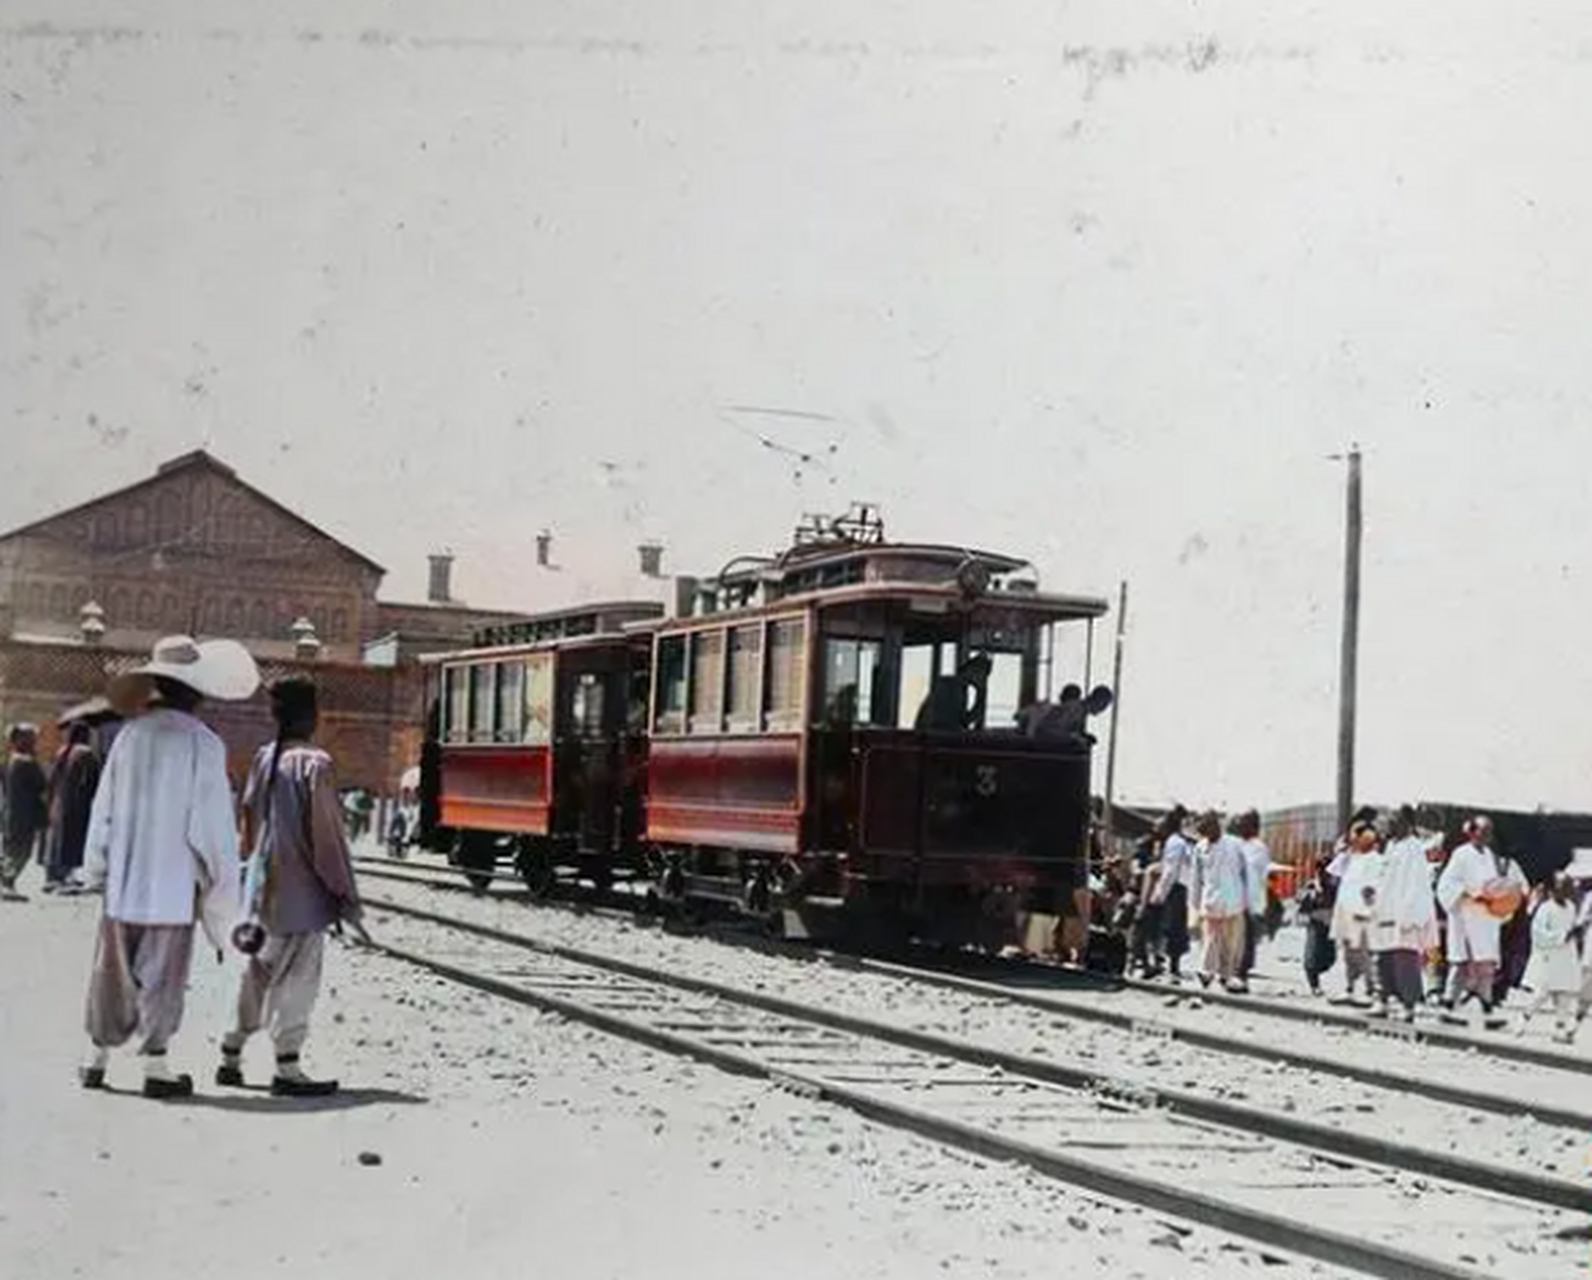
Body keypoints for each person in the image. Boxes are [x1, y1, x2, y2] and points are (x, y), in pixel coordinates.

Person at [78, 635, 259, 1097]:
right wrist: (220, 896)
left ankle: (96, 1058)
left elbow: (105, 810)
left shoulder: (129, 736)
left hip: (123, 881)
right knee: (164, 973)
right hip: (173, 885)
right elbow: (214, 830)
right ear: (197, 690)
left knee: (111, 970)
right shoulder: (204, 744)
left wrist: (97, 867)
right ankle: (155, 1067)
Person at [217, 677, 364, 1097]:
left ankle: (231, 1051)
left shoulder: (264, 758)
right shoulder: (315, 764)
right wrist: (343, 894)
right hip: (303, 898)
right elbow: (327, 837)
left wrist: (253, 870)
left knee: (258, 973)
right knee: (298, 980)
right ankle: (287, 1068)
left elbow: (247, 818)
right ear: (310, 717)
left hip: (263, 892)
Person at [1435, 815, 1527, 1027]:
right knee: (1461, 963)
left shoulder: (1490, 856)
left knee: (1486, 964)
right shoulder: (1461, 854)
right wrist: (1469, 895)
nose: (1486, 836)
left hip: (1484, 919)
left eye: (1489, 833)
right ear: (1473, 832)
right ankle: (1448, 1005)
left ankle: (1486, 1010)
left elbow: (1494, 885)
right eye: (1483, 832)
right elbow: (1447, 884)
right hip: (1465, 916)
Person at [1368, 806, 1439, 1021]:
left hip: (1404, 915)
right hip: (1385, 911)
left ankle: (1409, 1005)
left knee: (1404, 960)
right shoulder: (1391, 846)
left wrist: (1408, 916)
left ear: (1406, 823)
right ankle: (1383, 1000)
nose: (1389, 823)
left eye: (1395, 819)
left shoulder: (1413, 848)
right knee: (1383, 958)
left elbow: (1416, 886)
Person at [1519, 874, 1581, 1043]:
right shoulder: (1545, 908)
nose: (1566, 892)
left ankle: (1559, 1030)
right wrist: (1562, 936)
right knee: (1541, 994)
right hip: (1549, 956)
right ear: (1554, 890)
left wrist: (1576, 933)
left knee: (1565, 995)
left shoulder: (1571, 907)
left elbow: (1572, 927)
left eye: (1568, 888)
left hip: (1567, 957)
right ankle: (1523, 1020)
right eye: (1562, 888)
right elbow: (1538, 934)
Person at [1193, 812, 1249, 992]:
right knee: (1210, 938)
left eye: (1209, 829)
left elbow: (1247, 871)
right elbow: (1196, 877)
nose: (1208, 835)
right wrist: (1195, 902)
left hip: (1233, 899)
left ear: (1217, 826)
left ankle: (1226, 975)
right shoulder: (1200, 847)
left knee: (1230, 942)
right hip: (1210, 899)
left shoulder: (1235, 844)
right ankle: (1206, 972)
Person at [44, 720, 103, 891]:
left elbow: (53, 779)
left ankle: (53, 876)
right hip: (78, 805)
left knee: (58, 839)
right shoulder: (86, 753)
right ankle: (68, 876)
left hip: (59, 802)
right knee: (74, 840)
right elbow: (92, 781)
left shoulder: (62, 751)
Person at [1330, 820, 1383, 1004]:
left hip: (1362, 914)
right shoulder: (1350, 858)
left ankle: (1371, 990)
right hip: (1345, 910)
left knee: (1363, 953)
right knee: (1347, 952)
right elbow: (1333, 875)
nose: (1354, 839)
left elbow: (1374, 889)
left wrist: (1367, 909)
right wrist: (1343, 852)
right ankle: (1349, 987)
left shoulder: (1376, 860)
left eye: (1357, 834)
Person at [1, 724, 50, 900]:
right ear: (21, 739)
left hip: (11, 813)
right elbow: (42, 784)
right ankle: (7, 883)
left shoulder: (11, 760)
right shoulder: (26, 762)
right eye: (30, 737)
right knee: (21, 851)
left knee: (11, 849)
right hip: (24, 815)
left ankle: (7, 883)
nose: (34, 741)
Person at [1147, 805, 1194, 981]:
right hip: (1180, 888)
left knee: (1170, 927)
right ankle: (1171, 965)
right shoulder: (1181, 842)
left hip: (1174, 889)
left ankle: (1172, 967)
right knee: (1175, 927)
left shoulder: (1174, 843)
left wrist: (1159, 893)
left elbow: (1170, 872)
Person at [1235, 810, 1272, 988]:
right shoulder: (1238, 844)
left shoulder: (1258, 847)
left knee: (1245, 938)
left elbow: (1250, 872)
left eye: (1244, 823)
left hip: (1248, 898)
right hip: (1233, 898)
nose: (1240, 827)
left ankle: (1242, 976)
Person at [915, 653, 992, 732]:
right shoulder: (950, 685)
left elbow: (963, 721)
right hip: (936, 734)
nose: (981, 680)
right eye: (981, 675)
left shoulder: (959, 688)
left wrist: (980, 697)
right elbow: (954, 722)